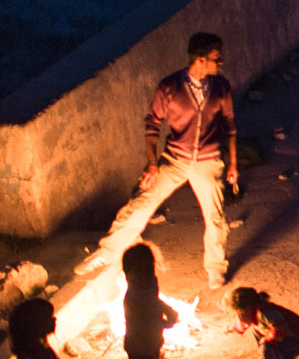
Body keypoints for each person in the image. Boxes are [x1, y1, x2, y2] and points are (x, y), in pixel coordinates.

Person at [81, 31, 239, 289]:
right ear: (200, 59)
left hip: (209, 160)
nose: (220, 62)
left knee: (215, 218)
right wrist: (152, 162)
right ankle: (106, 253)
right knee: (141, 204)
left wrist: (232, 162)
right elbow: (153, 123)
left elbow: (230, 124)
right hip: (175, 158)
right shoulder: (170, 87)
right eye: (215, 58)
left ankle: (215, 270)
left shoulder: (221, 87)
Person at [226, 287, 299, 359]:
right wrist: (233, 328)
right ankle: (270, 356)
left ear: (248, 309)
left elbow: (279, 330)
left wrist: (266, 340)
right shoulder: (253, 313)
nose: (237, 316)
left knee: (266, 349)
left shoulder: (267, 313)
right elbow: (245, 322)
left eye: (238, 313)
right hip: (282, 336)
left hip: (297, 341)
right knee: (255, 329)